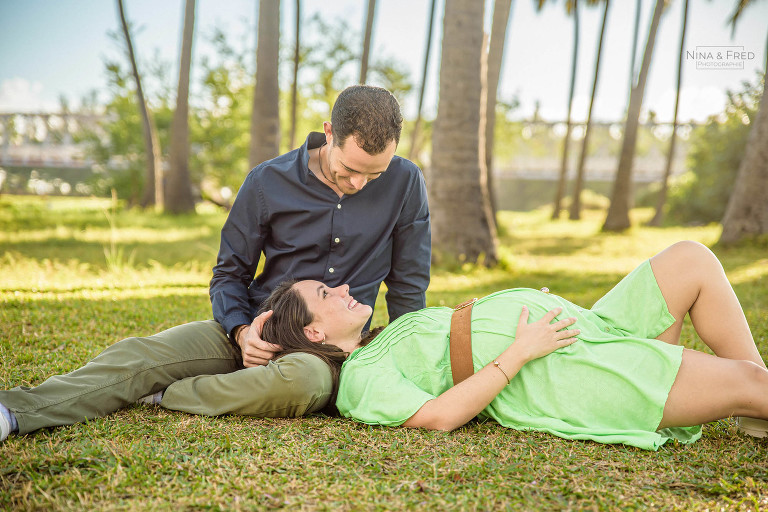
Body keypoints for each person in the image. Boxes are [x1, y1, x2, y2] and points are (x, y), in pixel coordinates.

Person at [0, 85, 431, 442]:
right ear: (329, 133)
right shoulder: (267, 182)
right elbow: (229, 274)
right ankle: (13, 411)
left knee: (305, 384)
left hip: (332, 353)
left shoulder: (406, 181)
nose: (359, 183)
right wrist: (242, 332)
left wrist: (402, 360)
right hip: (257, 328)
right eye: (350, 168)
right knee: (140, 355)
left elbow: (409, 287)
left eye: (374, 175)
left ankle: (169, 394)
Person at [238, 241, 768, 451]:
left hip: (579, 328)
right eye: (326, 294)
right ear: (313, 334)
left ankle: (754, 413)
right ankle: (753, 400)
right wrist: (520, 351)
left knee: (692, 259)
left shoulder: (383, 336)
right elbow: (438, 417)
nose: (346, 288)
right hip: (560, 373)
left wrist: (533, 308)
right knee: (750, 382)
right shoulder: (357, 380)